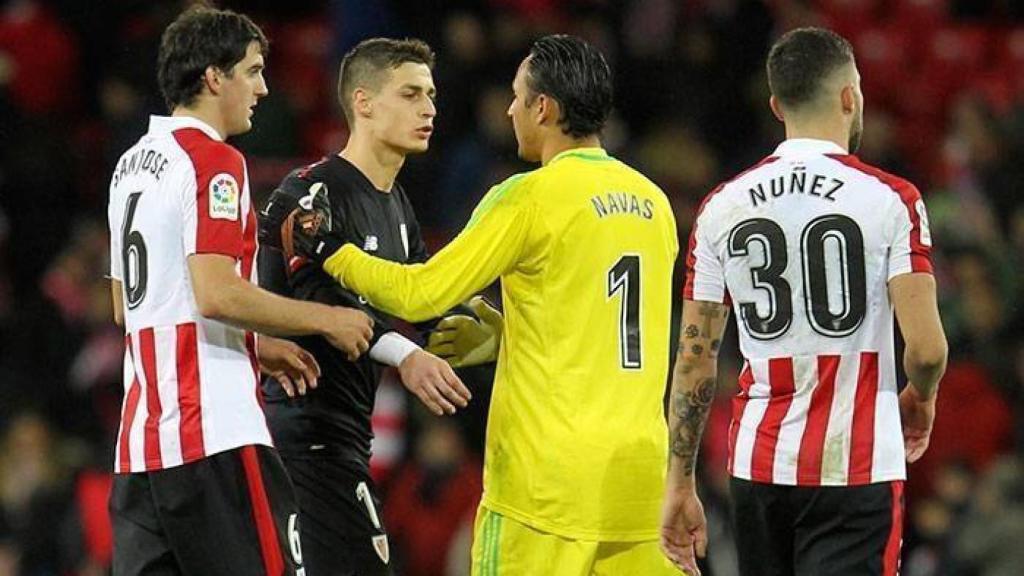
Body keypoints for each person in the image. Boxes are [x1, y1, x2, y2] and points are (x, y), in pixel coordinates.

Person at [265, 34, 681, 575]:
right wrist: (512, 334)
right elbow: (619, 326)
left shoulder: (527, 195)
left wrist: (334, 252)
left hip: (546, 487)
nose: (509, 109)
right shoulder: (655, 203)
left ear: (544, 108)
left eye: (516, 96)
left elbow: (420, 293)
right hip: (640, 480)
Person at [659, 27, 948, 576]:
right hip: (857, 467)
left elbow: (695, 360)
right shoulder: (892, 200)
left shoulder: (721, 208)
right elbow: (927, 350)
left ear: (776, 106)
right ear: (849, 97)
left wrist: (679, 482)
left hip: (758, 464)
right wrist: (922, 396)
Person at [105, 7, 374, 575]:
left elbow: (128, 307)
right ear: (213, 77)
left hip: (141, 445)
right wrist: (323, 319)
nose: (263, 87)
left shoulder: (130, 165)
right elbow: (215, 293)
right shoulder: (214, 163)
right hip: (214, 435)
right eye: (251, 71)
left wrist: (254, 345)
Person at [255, 37, 475, 576]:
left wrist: (494, 333)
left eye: (431, 95)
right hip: (297, 442)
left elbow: (423, 301)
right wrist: (407, 356)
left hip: (345, 441)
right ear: (363, 102)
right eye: (410, 93)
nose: (429, 108)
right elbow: (330, 314)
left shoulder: (397, 205)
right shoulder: (309, 194)